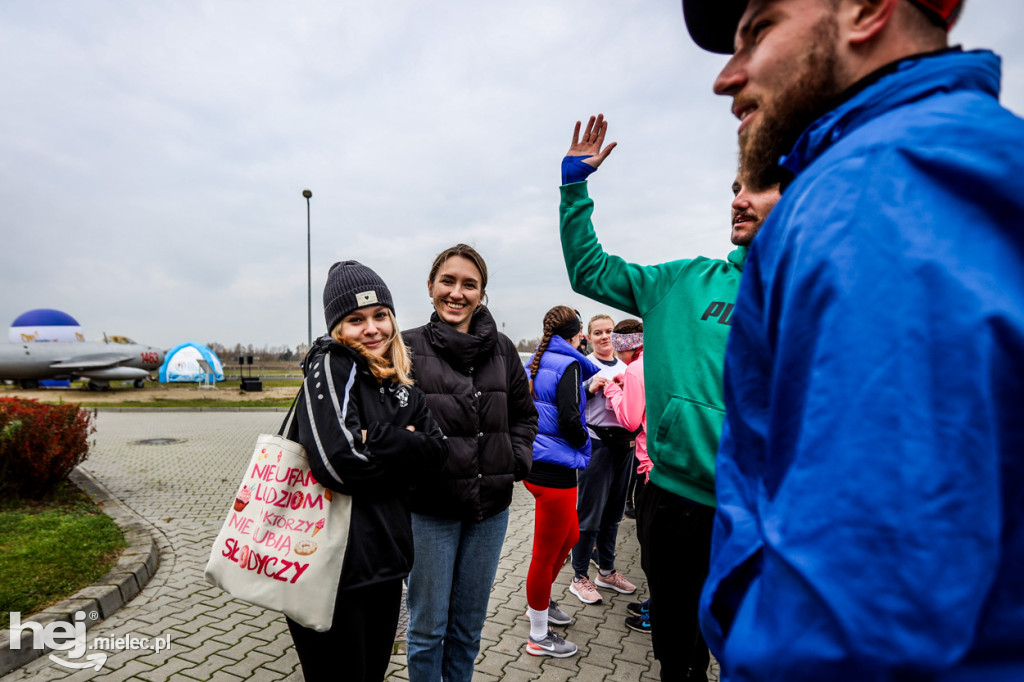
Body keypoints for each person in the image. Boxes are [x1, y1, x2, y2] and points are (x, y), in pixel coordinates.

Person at [682, 1, 1024, 679]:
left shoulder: (873, 193)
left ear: (867, 10)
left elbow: (866, 613)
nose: (727, 77)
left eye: (759, 30)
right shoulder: (962, 154)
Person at [559, 114, 779, 681]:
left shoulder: (808, 296)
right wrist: (574, 188)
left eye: (756, 185)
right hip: (674, 505)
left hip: (759, 516)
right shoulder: (682, 281)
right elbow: (590, 269)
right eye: (734, 187)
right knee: (678, 659)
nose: (738, 199)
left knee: (752, 659)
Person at [287, 260, 449, 682]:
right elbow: (337, 465)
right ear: (337, 327)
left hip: (386, 563)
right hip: (328, 569)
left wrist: (373, 436)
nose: (372, 328)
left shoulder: (401, 384)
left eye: (380, 315)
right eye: (356, 319)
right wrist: (404, 450)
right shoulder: (331, 364)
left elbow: (438, 455)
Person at [402, 244, 539, 682]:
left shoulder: (501, 349)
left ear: (481, 293)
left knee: (467, 630)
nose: (457, 293)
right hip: (429, 512)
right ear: (430, 286)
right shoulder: (405, 347)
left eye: (469, 284)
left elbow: (524, 414)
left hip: (488, 512)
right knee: (427, 631)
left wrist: (514, 460)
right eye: (448, 281)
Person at [523, 305, 600, 658]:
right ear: (577, 333)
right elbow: (570, 418)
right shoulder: (568, 363)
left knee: (571, 536)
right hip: (554, 472)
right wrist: (585, 443)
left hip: (538, 466)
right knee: (544, 554)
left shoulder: (539, 361)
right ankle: (538, 633)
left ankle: (539, 603)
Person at [568, 314, 638, 606]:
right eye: (598, 332)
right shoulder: (583, 365)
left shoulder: (628, 365)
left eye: (610, 331)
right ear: (589, 337)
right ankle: (579, 576)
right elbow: (568, 402)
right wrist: (588, 388)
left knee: (614, 515)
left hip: (626, 447)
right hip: (596, 447)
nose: (605, 337)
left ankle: (606, 571)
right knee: (589, 515)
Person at [602, 320, 651, 634]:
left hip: (650, 466)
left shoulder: (635, 370)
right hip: (672, 464)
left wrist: (612, 391)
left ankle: (658, 614)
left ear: (626, 345)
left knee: (653, 549)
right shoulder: (660, 357)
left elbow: (631, 420)